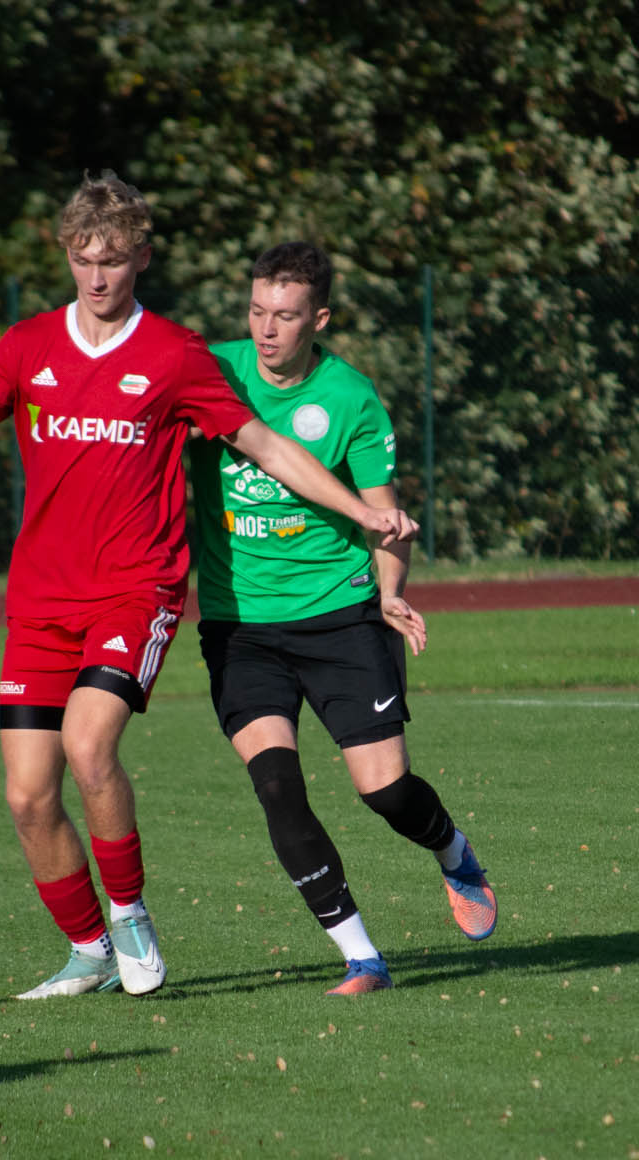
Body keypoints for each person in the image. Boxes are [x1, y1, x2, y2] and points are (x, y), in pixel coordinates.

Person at [0, 174, 416, 1000]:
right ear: (66, 255)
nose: (97, 277)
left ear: (141, 259)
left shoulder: (175, 354)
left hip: (134, 590)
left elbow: (269, 448)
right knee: (26, 795)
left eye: (113, 260)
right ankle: (88, 951)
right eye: (84, 259)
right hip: (40, 601)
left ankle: (130, 917)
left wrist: (363, 514)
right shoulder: (25, 346)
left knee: (89, 746)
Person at [190, 242, 496, 995]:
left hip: (340, 619)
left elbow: (386, 518)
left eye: (286, 316)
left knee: (385, 791)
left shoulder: (351, 398)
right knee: (276, 785)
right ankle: (362, 956)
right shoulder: (210, 372)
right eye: (257, 311)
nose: (266, 329)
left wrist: (391, 590)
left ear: (318, 318)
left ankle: (454, 853)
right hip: (240, 627)